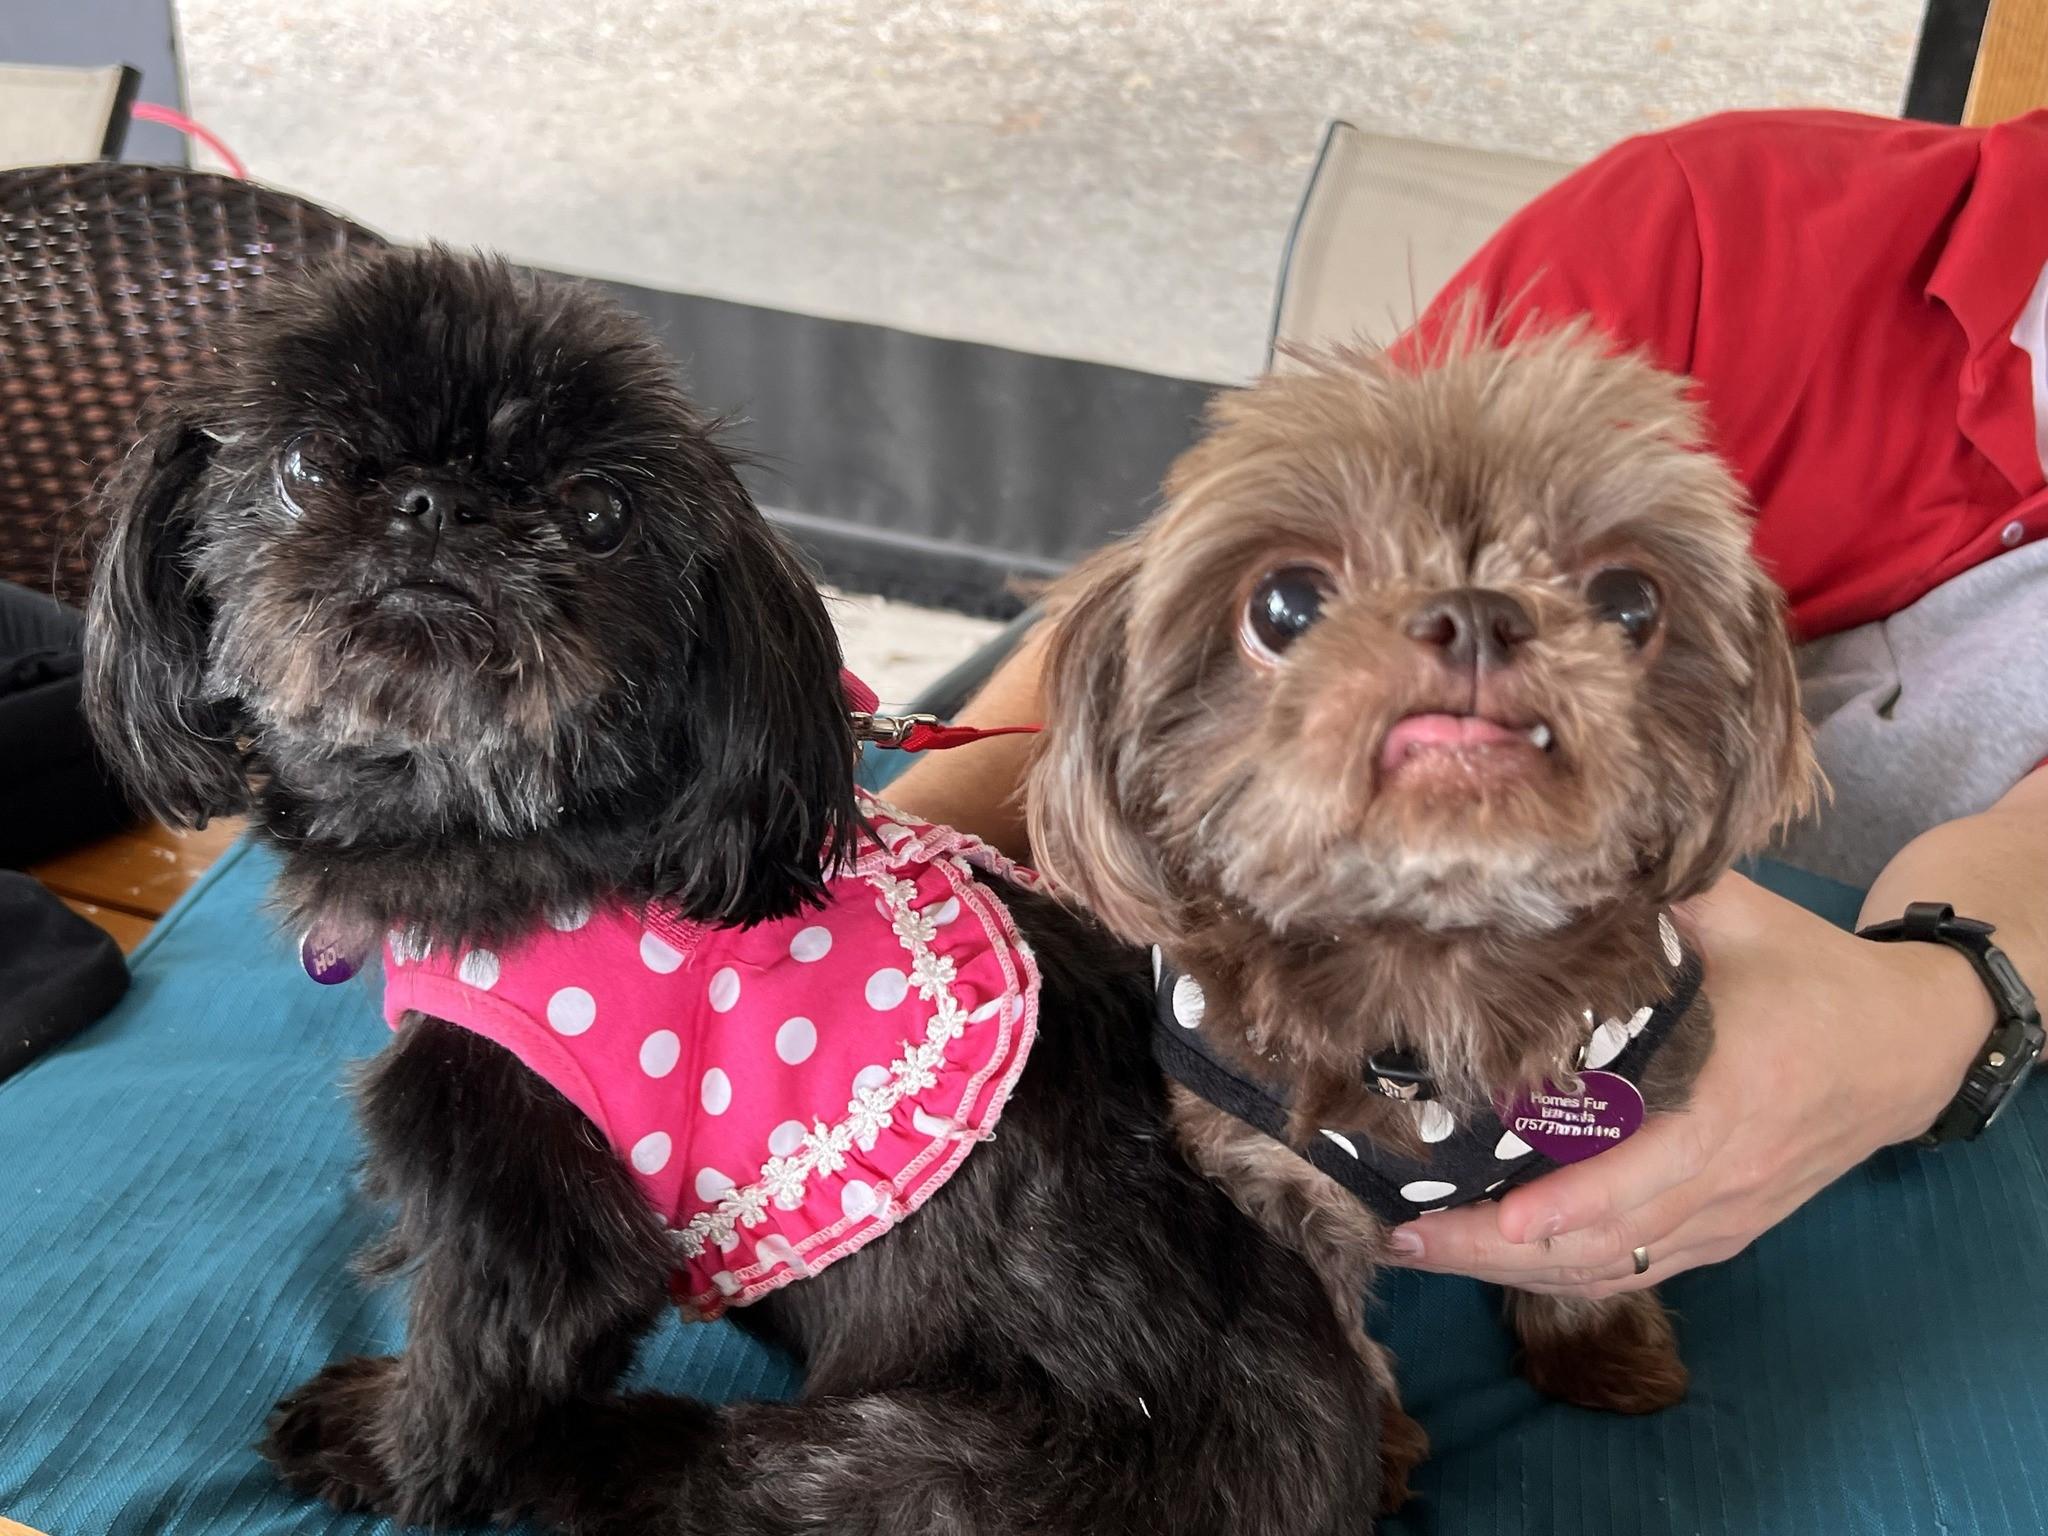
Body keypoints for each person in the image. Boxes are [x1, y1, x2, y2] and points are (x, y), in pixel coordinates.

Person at [881, 109, 2048, 1301]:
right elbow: (1195, 579)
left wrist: (1939, 1009)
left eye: (1619, 607)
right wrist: (880, 891)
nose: (1474, 635)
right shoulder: (1733, 217)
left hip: (1860, 1037)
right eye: (1296, 607)